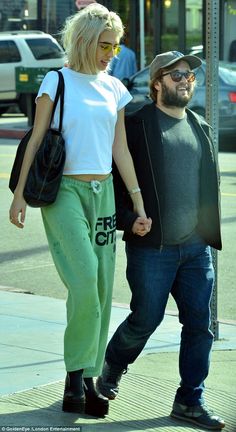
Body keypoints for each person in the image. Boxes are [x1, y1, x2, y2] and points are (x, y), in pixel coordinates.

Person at [9, 3, 149, 418]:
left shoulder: (114, 88)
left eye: (115, 45)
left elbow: (119, 149)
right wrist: (18, 194)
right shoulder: (57, 81)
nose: (111, 53)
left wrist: (138, 204)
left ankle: (85, 380)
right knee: (86, 281)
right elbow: (35, 139)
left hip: (103, 192)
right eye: (104, 45)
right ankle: (77, 376)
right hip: (64, 194)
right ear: (85, 42)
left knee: (103, 291)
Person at [96, 51, 225, 430]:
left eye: (189, 75)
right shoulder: (137, 125)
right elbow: (112, 180)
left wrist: (205, 231)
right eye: (176, 75)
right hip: (153, 249)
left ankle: (189, 401)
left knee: (200, 325)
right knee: (145, 318)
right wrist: (127, 219)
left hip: (195, 250)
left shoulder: (199, 125)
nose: (186, 80)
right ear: (157, 83)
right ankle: (112, 367)